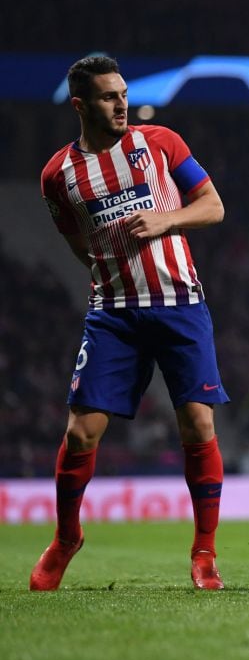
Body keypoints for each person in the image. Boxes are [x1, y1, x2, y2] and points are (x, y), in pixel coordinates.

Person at [32, 55, 230, 591]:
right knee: (79, 433)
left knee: (199, 424)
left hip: (180, 304)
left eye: (122, 94)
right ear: (80, 104)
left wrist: (167, 219)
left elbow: (212, 206)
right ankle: (66, 539)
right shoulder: (58, 176)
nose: (120, 103)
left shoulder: (162, 142)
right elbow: (80, 246)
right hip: (113, 316)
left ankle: (205, 552)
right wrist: (115, 277)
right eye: (106, 96)